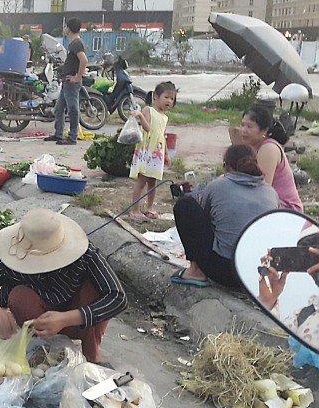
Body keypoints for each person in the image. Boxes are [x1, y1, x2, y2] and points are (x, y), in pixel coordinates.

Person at [0, 209, 127, 364]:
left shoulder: (85, 256)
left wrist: (65, 319)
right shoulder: (12, 252)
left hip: (75, 321)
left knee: (94, 289)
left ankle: (91, 354)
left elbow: (117, 297)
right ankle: (38, 351)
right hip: (35, 323)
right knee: (20, 297)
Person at [171, 144, 278, 288]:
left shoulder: (217, 186)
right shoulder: (271, 192)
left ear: (226, 166)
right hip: (256, 274)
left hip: (225, 271)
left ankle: (195, 271)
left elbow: (203, 220)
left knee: (185, 205)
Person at [238, 102, 303, 212]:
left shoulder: (268, 148)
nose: (243, 130)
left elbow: (262, 188)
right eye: (242, 125)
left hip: (286, 209)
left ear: (264, 130)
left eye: (249, 126)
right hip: (269, 203)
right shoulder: (252, 146)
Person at [128, 81, 177, 221]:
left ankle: (150, 207)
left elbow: (162, 136)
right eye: (166, 97)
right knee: (142, 180)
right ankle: (135, 210)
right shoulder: (148, 110)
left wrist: (166, 154)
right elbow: (147, 128)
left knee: (153, 181)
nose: (169, 101)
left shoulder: (164, 117)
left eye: (172, 98)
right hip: (147, 150)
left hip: (157, 152)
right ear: (156, 96)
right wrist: (140, 116)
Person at [44, 18, 86, 145]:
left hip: (71, 82)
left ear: (69, 29)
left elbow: (83, 60)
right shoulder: (72, 43)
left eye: (66, 27)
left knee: (72, 108)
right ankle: (58, 134)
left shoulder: (76, 43)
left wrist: (77, 77)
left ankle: (72, 137)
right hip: (66, 81)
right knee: (59, 108)